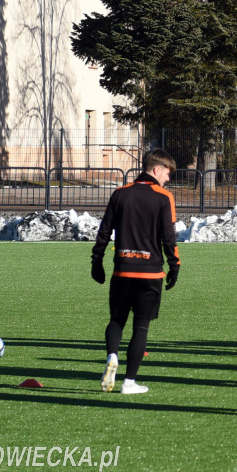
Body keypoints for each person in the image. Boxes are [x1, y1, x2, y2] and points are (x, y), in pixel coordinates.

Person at [91, 149, 180, 395]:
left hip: (122, 271)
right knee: (141, 327)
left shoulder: (120, 194)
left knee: (116, 320)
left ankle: (112, 356)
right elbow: (168, 237)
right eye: (168, 173)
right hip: (150, 274)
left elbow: (104, 230)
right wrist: (175, 265)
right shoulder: (164, 197)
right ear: (156, 169)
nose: (168, 179)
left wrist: (96, 260)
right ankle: (129, 383)